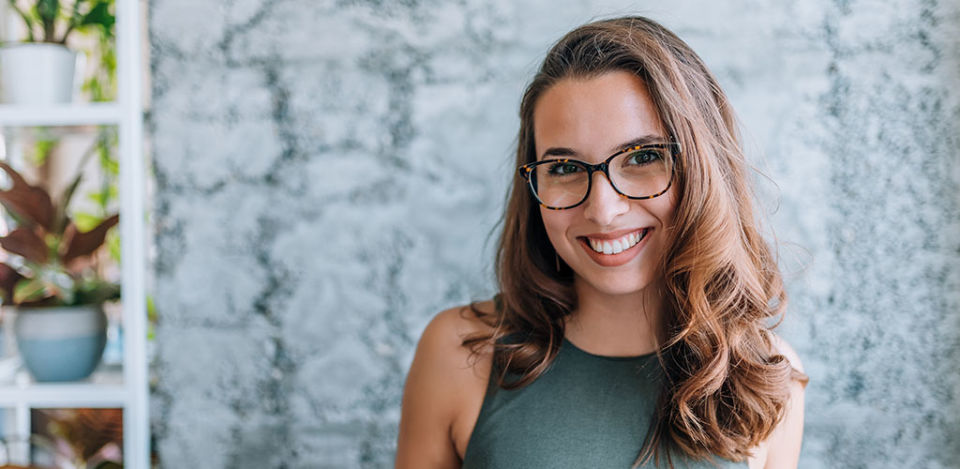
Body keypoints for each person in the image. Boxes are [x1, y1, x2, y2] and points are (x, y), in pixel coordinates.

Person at [395, 15, 809, 469]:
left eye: (644, 157)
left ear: (702, 170)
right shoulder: (459, 352)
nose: (603, 210)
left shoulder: (766, 376)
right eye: (565, 168)